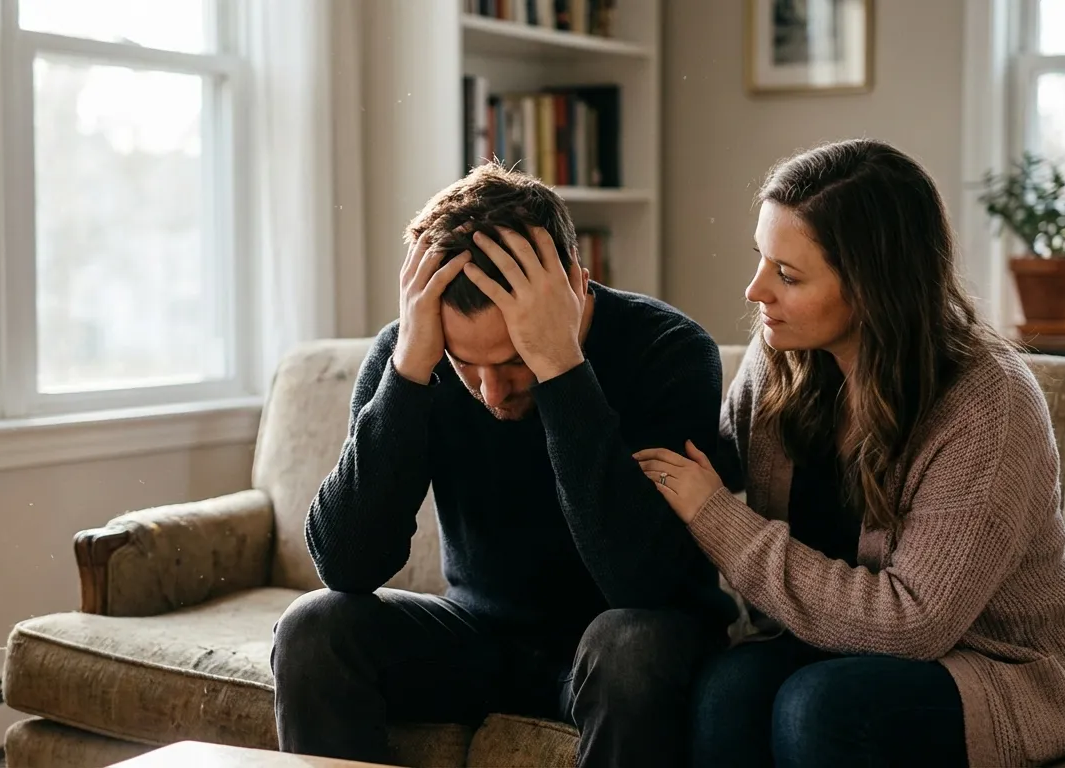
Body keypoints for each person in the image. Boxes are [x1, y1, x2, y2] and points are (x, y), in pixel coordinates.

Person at [634, 139, 1065, 768]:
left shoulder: (987, 400)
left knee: (821, 707)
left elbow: (915, 623)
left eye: (788, 274)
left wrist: (720, 522)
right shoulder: (777, 360)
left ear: (870, 288)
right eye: (762, 258)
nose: (755, 291)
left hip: (995, 667)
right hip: (827, 649)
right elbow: (697, 484)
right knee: (729, 692)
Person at [271, 164, 737, 767]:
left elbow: (642, 583)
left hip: (631, 640)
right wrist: (409, 372)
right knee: (315, 627)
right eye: (468, 364)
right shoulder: (411, 354)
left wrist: (561, 371)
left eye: (514, 360)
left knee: (629, 643)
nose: (492, 392)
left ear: (573, 288)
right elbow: (347, 564)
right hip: (479, 639)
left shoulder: (668, 351)